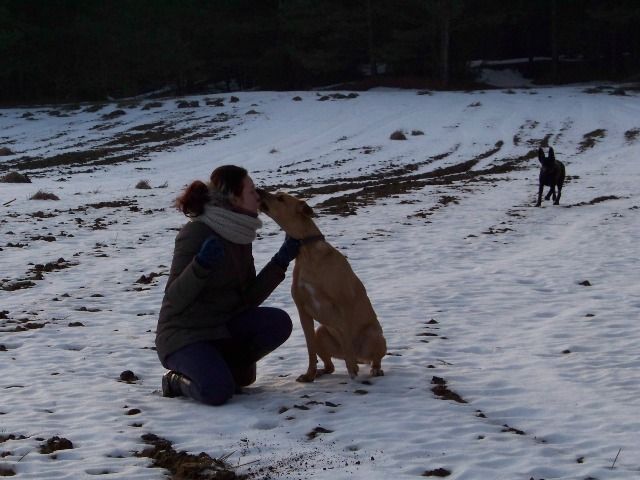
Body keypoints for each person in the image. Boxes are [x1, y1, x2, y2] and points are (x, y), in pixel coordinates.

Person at [155, 165, 300, 405]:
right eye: (251, 191)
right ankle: (175, 381)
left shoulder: (240, 234)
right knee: (217, 392)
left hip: (222, 328)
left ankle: (225, 368)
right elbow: (174, 299)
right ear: (234, 198)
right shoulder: (197, 232)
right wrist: (200, 266)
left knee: (278, 323)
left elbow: (247, 298)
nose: (258, 196)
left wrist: (280, 261)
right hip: (185, 335)